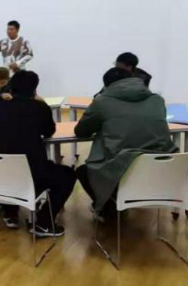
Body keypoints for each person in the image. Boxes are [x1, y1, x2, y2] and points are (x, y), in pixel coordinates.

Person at [73, 67, 176, 217]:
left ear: (107, 86)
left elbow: (81, 131)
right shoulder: (157, 100)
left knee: (83, 170)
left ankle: (109, 208)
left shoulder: (101, 102)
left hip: (119, 169)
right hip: (159, 169)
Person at [0, 70, 77, 235]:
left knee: (10, 160)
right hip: (31, 174)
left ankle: (10, 213)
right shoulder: (40, 108)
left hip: (0, 174)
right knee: (68, 175)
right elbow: (49, 131)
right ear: (34, 89)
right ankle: (44, 222)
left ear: (11, 87)